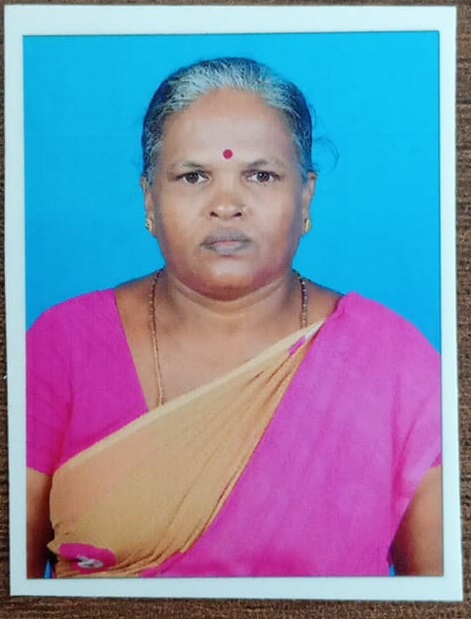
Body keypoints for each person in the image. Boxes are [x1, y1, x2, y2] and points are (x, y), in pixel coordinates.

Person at [26, 57, 442, 579]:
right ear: (149, 199)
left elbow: (442, 599)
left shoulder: (392, 362)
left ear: (306, 196)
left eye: (261, 175)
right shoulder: (63, 348)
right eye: (193, 176)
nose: (226, 205)